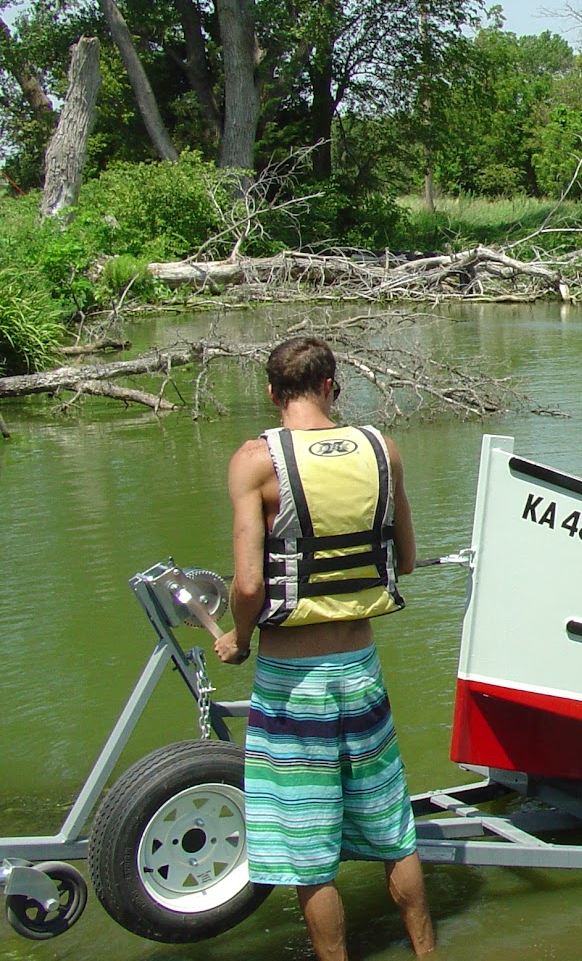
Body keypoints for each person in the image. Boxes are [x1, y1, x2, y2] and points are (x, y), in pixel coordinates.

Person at [214, 337, 435, 960]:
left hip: (292, 683)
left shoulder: (255, 462)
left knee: (308, 852)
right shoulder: (381, 450)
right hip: (361, 672)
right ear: (332, 384)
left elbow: (251, 584)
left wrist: (237, 639)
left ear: (270, 392)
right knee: (394, 832)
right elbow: (408, 560)